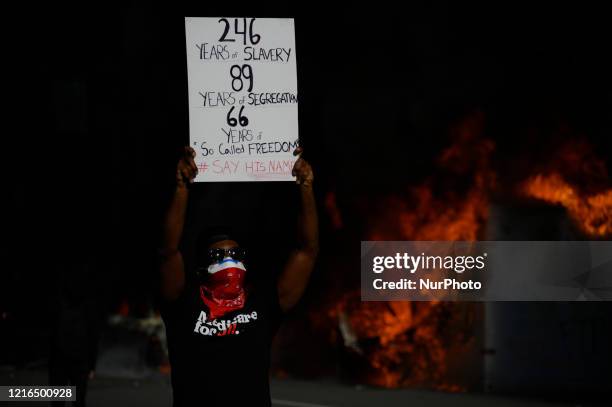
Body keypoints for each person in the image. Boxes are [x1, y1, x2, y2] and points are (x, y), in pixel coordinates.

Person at [158, 146, 318, 407]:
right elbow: (167, 252)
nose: (229, 260)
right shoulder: (184, 304)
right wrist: (181, 188)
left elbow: (306, 252)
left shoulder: (263, 303)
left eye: (235, 253)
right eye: (218, 257)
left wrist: (306, 187)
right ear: (200, 270)